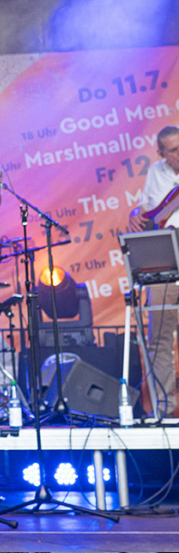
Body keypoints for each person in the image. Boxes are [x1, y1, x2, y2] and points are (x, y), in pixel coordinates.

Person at [127, 124, 179, 417]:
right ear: (161, 153)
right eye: (174, 150)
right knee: (159, 334)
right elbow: (147, 210)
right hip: (165, 257)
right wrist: (135, 214)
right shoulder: (157, 172)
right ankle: (163, 408)